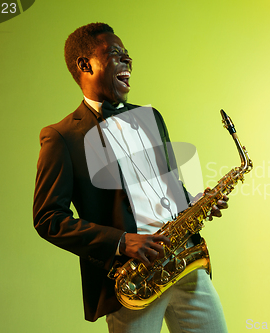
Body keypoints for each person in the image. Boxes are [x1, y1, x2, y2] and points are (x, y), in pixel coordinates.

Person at [33, 23, 229, 332]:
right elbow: (48, 219)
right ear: (86, 64)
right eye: (115, 54)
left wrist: (194, 204)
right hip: (134, 280)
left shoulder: (152, 118)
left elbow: (167, 189)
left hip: (186, 264)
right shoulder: (61, 137)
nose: (127, 61)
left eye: (128, 55)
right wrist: (121, 242)